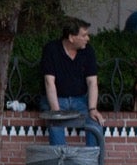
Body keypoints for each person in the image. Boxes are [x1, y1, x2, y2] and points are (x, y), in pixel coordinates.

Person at [41, 18, 106, 148]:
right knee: (56, 124)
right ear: (71, 37)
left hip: (80, 100)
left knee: (95, 123)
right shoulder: (51, 49)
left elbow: (92, 82)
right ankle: (61, 164)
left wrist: (93, 109)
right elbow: (49, 82)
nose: (87, 38)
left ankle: (91, 164)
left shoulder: (88, 51)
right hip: (57, 99)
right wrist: (56, 110)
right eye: (84, 35)